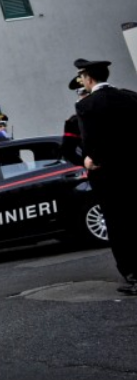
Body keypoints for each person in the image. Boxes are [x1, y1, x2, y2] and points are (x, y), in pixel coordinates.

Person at [72, 58, 137, 296]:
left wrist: (91, 159)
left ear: (88, 79)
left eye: (82, 78)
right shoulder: (130, 97)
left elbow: (91, 141)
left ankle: (133, 275)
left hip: (109, 177)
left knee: (118, 225)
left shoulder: (86, 105)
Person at [60, 82, 90, 166]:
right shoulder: (74, 121)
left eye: (88, 92)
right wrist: (84, 163)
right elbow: (67, 150)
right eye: (82, 93)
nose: (86, 96)